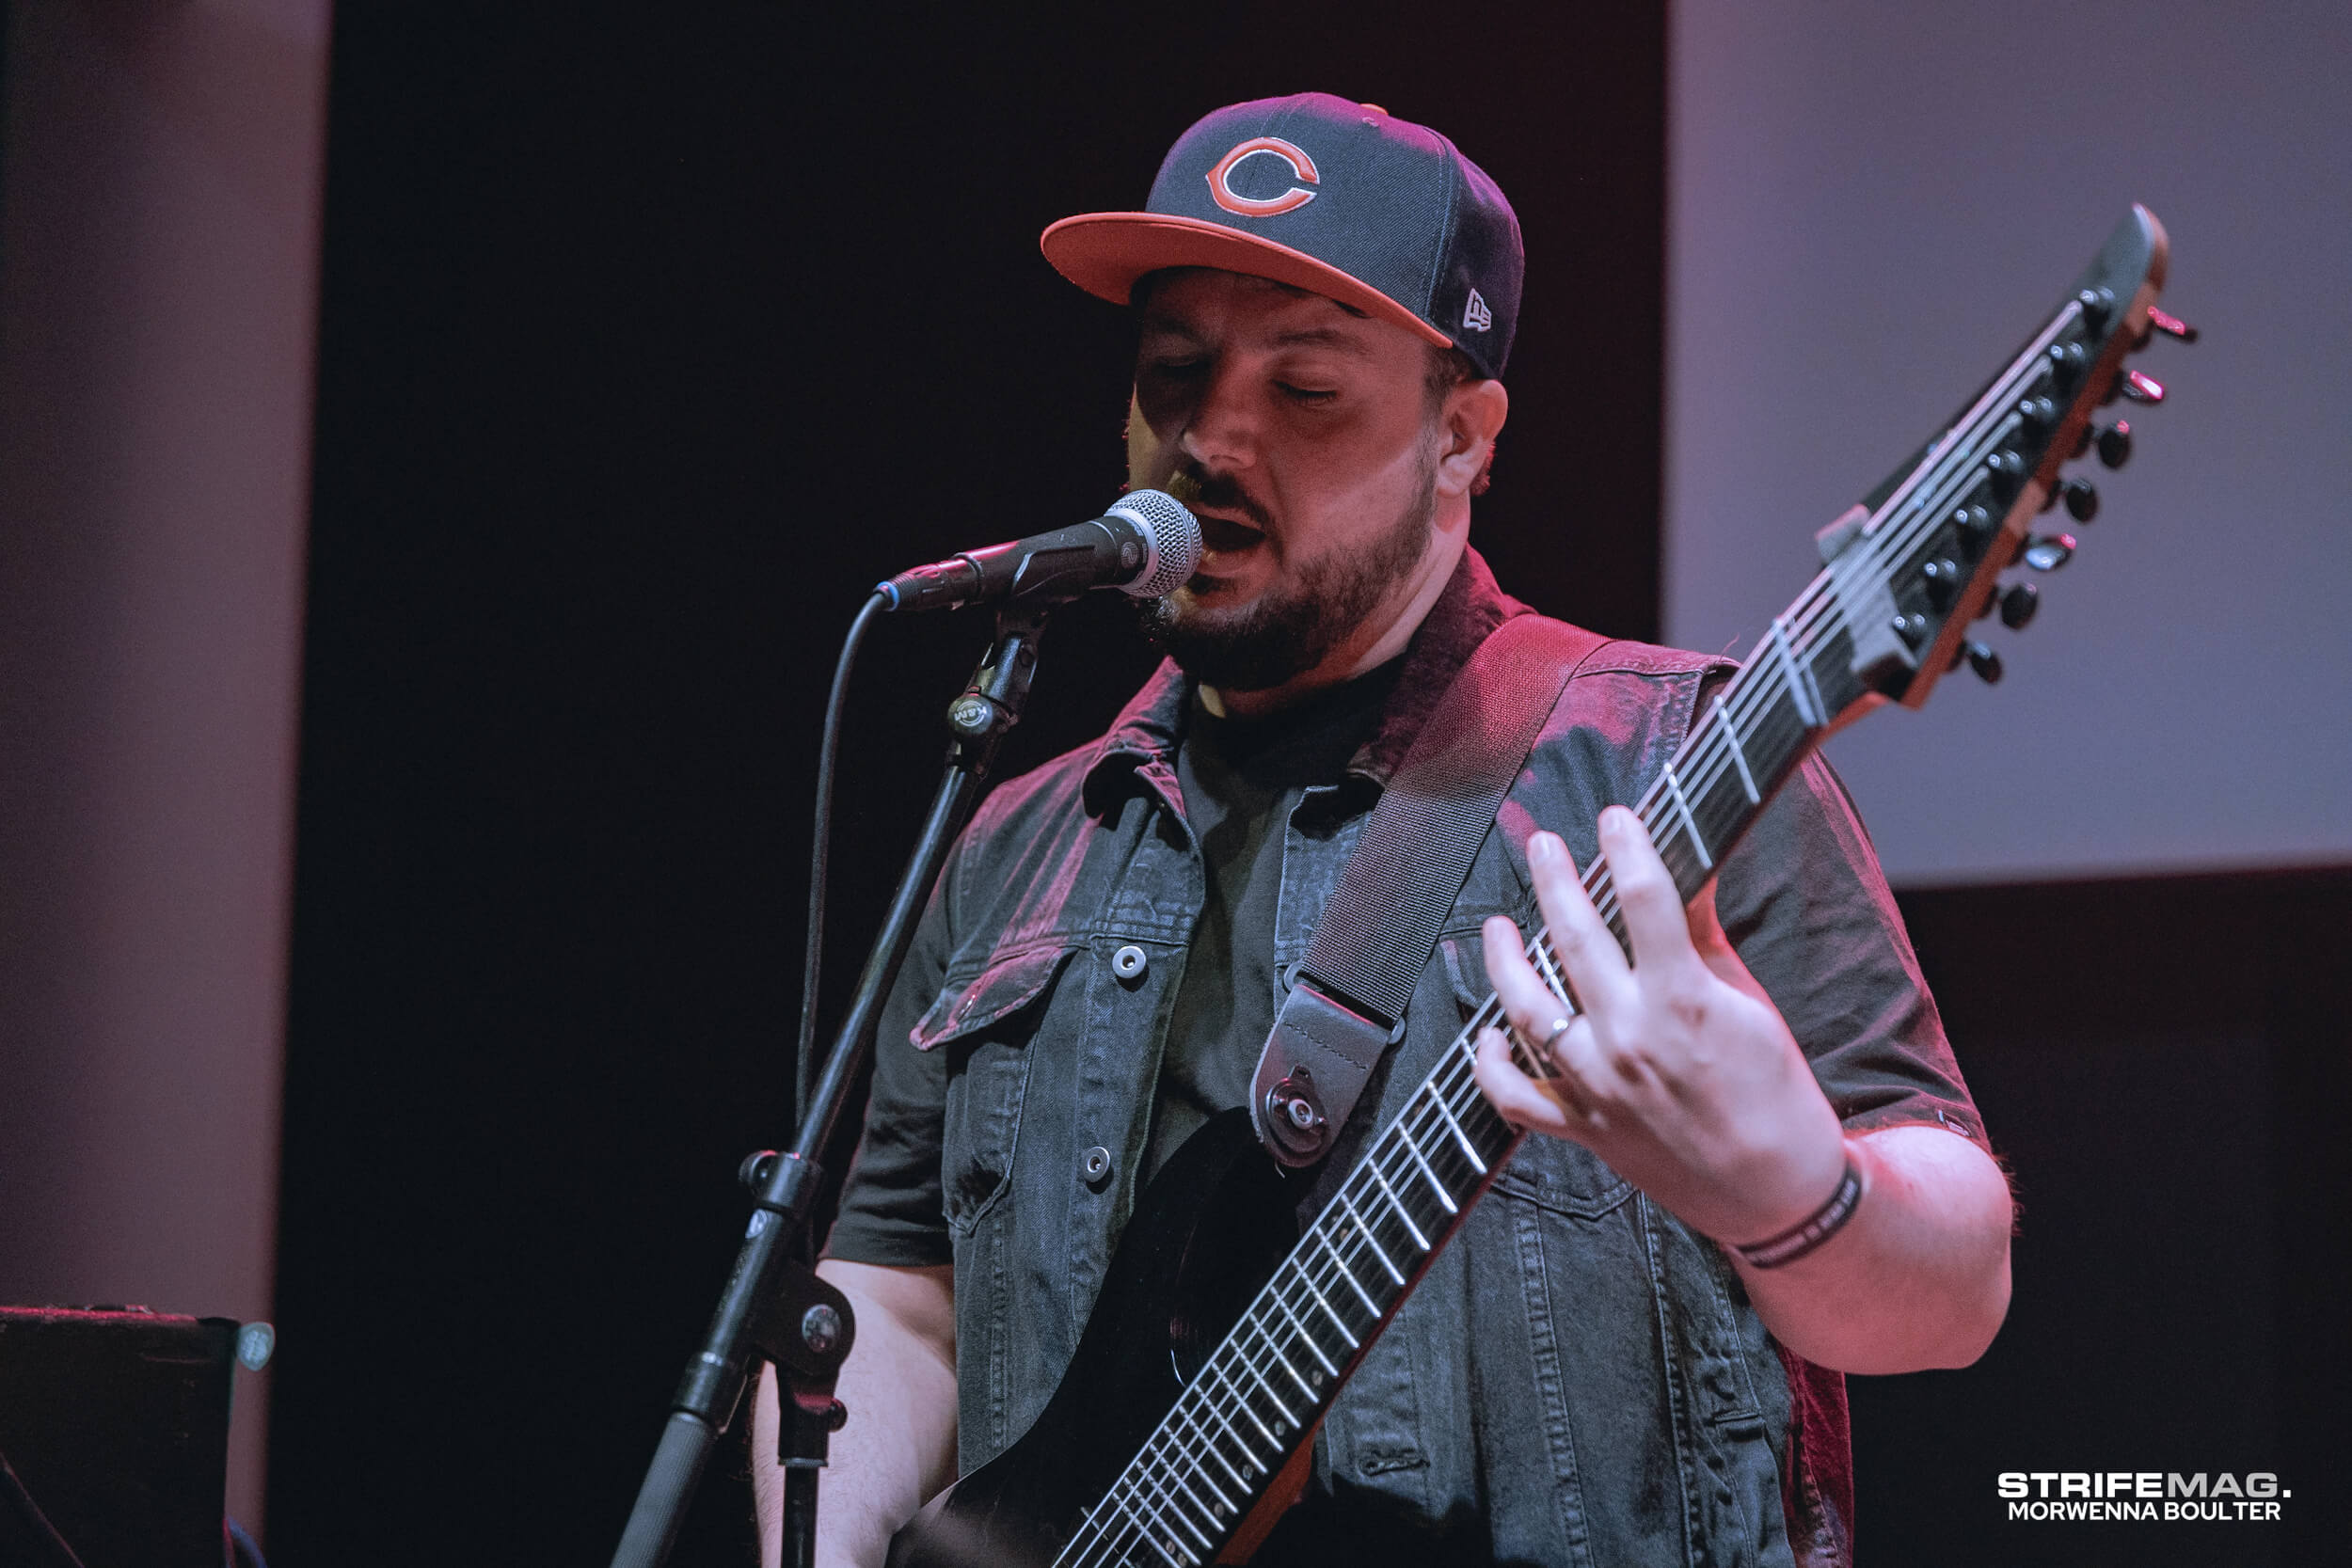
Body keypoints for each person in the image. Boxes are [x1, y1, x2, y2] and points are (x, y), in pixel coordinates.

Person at [755, 92, 2013, 1568]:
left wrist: (1796, 1193)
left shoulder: (1665, 766)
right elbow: (898, 1297)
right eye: (1174, 373)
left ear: (1461, 438)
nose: (1211, 437)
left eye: (1306, 388)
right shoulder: (1015, 845)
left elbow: (1956, 1287)